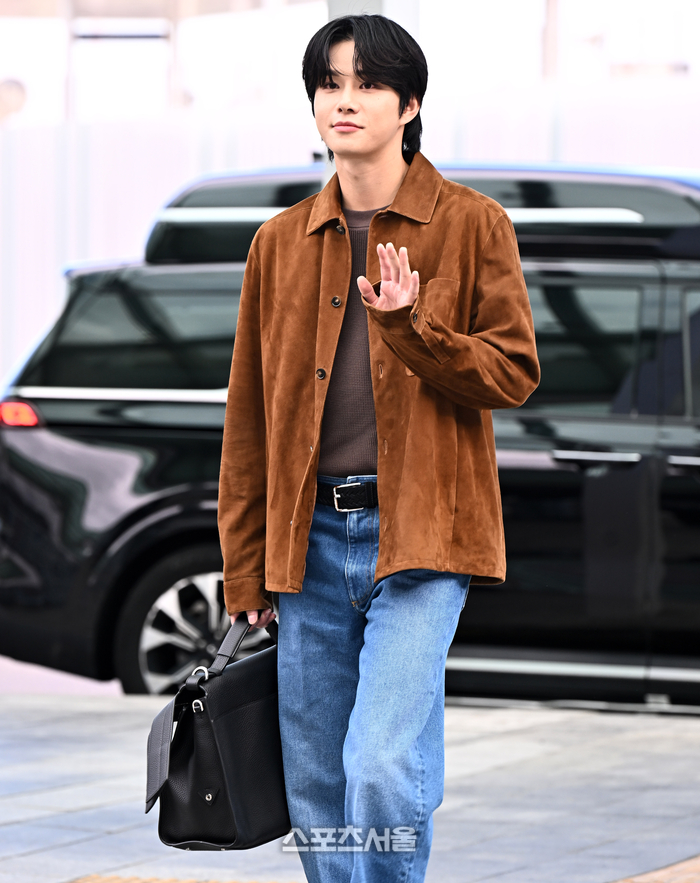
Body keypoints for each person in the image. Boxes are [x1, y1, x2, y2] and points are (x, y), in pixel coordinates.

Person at [218, 13, 539, 883]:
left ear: (411, 104)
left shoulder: (473, 224)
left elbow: (513, 373)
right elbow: (248, 418)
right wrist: (245, 567)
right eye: (329, 83)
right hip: (309, 545)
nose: (344, 100)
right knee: (319, 787)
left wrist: (410, 326)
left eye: (366, 83)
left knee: (381, 763)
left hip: (424, 538)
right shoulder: (279, 242)